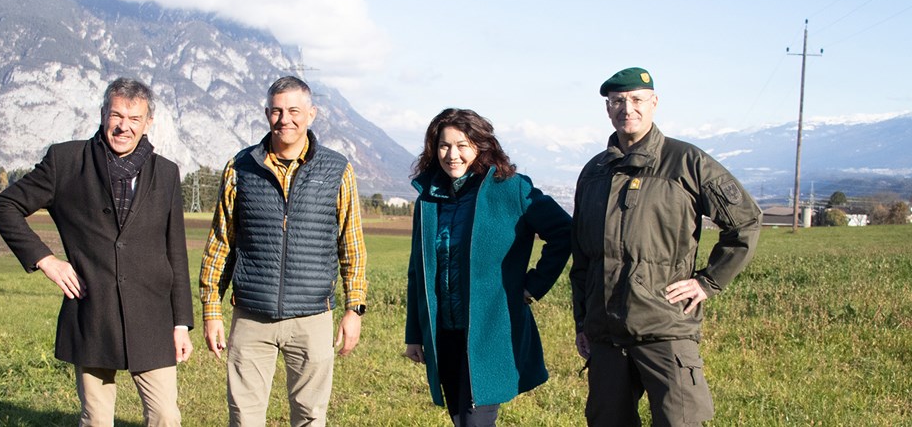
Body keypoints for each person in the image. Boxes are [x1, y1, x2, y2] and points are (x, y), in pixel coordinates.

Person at [0, 78, 194, 427]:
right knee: (96, 418)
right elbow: (4, 206)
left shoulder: (166, 173)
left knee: (165, 415)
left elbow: (175, 251)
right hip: (93, 311)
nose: (124, 126)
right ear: (103, 115)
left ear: (148, 123)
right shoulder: (66, 161)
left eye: (134, 118)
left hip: (153, 317)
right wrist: (46, 260)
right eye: (116, 115)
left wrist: (181, 323)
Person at [570, 67, 762, 426]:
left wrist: (707, 281)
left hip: (666, 329)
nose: (628, 108)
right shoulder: (594, 172)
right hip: (606, 334)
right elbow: (582, 258)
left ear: (654, 103)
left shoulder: (687, 162)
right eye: (618, 101)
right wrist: (583, 321)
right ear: (608, 108)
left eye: (637, 100)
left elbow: (746, 221)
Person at [198, 75, 367, 427]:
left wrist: (355, 309)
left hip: (312, 318)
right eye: (276, 111)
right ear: (266, 113)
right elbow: (221, 242)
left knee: (310, 416)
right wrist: (211, 309)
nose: (284, 119)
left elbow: (351, 245)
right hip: (251, 315)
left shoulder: (337, 169)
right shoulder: (240, 167)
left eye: (293, 110)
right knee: (244, 417)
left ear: (311, 114)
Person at [404, 108, 572, 426]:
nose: (452, 154)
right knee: (461, 419)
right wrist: (415, 334)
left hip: (488, 333)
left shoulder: (510, 189)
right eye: (443, 145)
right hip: (445, 334)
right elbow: (417, 272)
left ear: (481, 146)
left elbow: (564, 233)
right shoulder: (427, 200)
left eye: (462, 145)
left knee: (474, 421)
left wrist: (531, 287)